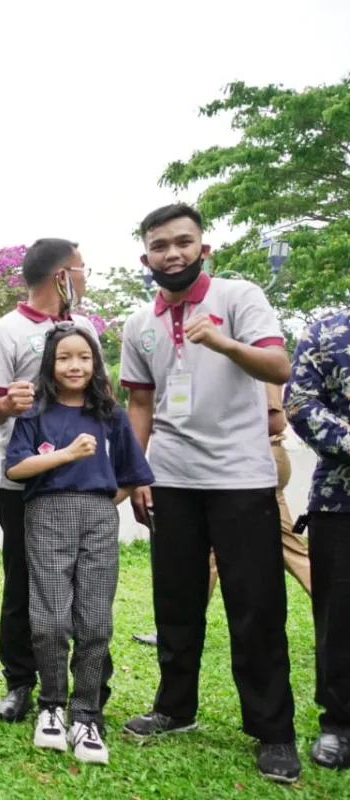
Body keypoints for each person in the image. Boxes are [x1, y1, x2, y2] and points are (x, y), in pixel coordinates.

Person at [119, 203, 298, 783]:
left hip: (240, 477)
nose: (171, 253)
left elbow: (277, 365)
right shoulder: (137, 324)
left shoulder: (238, 297)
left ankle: (273, 731)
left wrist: (223, 345)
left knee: (256, 606)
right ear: (145, 256)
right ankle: (174, 708)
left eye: (182, 242)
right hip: (171, 479)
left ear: (204, 247)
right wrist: (138, 472)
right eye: (159, 245)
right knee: (176, 600)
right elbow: (140, 403)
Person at [4, 324, 154, 764]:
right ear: (50, 362)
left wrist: (100, 501)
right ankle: (51, 706)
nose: (75, 365)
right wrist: (67, 455)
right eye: (65, 357)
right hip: (46, 515)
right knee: (49, 619)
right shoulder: (36, 413)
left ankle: (86, 713)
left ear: (96, 363)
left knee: (94, 621)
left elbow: (130, 476)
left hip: (99, 518)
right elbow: (16, 469)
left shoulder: (110, 414)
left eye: (84, 357)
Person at [0, 238, 104, 724]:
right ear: (60, 277)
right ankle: (21, 683)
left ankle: (87, 690)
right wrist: (6, 405)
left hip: (83, 482)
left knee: (85, 586)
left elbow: (102, 399)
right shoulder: (2, 333)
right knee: (23, 585)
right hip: (23, 485)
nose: (85, 276)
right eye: (81, 268)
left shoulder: (86, 328)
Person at [132, 382, 310, 647]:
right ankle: (179, 625)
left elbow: (275, 421)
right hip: (238, 465)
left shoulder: (255, 356)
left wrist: (215, 434)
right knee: (213, 551)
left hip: (256, 463)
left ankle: (339, 614)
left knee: (289, 549)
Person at [285, 311, 350, 770]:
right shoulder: (327, 331)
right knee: (340, 619)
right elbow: (300, 402)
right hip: (341, 498)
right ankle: (340, 725)